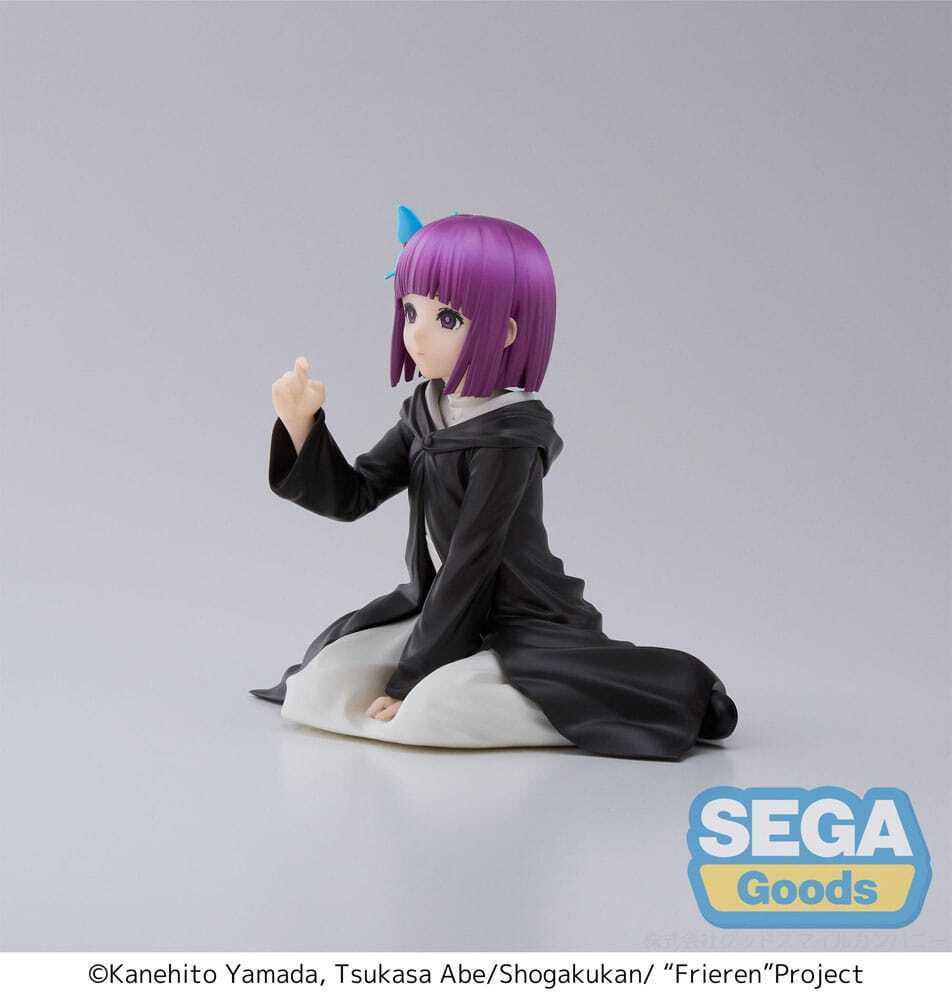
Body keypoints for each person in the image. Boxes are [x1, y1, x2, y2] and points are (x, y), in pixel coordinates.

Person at [250, 209, 738, 761]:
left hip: (518, 616)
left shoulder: (509, 436)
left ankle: (647, 695)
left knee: (430, 713)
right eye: (410, 310)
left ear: (505, 332)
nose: (416, 333)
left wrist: (412, 676)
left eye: (446, 318)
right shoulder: (425, 412)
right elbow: (354, 494)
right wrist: (301, 427)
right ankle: (462, 678)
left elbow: (473, 560)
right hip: (440, 609)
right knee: (317, 686)